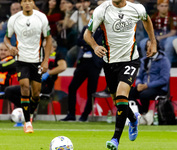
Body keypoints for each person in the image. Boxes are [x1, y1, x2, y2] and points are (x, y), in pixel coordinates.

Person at [83, 0, 157, 149]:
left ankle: (115, 139)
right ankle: (133, 119)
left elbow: (147, 19)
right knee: (118, 102)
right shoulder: (101, 10)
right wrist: (95, 46)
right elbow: (87, 34)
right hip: (109, 62)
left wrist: (153, 41)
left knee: (122, 95)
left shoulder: (137, 8)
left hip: (130, 60)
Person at [4, 0, 52, 133]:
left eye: (29, 1)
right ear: (21, 3)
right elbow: (6, 38)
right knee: (24, 87)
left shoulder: (41, 17)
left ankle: (30, 117)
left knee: (36, 94)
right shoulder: (14, 19)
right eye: (24, 1)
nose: (27, 3)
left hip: (37, 60)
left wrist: (46, 60)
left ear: (33, 3)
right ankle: (27, 123)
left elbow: (48, 39)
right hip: (21, 59)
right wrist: (10, 47)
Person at [60, 6, 104, 122]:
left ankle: (84, 115)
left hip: (94, 63)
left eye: (94, 14)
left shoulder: (103, 29)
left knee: (91, 91)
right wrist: (91, 44)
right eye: (90, 14)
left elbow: (99, 44)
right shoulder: (86, 27)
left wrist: (88, 43)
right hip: (82, 61)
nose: (92, 16)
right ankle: (71, 114)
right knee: (72, 87)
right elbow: (79, 42)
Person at [5, 38, 67, 113]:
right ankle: (27, 110)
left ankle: (27, 111)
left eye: (46, 47)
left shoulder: (58, 55)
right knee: (9, 91)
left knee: (28, 91)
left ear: (53, 47)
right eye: (43, 47)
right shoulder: (39, 55)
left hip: (46, 86)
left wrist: (48, 73)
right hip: (33, 83)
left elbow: (63, 67)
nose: (44, 49)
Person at [129, 39, 170, 125]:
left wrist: (147, 85)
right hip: (144, 87)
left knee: (144, 94)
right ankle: (143, 113)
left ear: (156, 47)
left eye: (151, 46)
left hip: (159, 88)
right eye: (147, 47)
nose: (149, 48)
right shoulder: (144, 60)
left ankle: (144, 113)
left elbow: (164, 79)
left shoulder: (164, 60)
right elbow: (139, 76)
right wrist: (139, 84)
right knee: (129, 93)